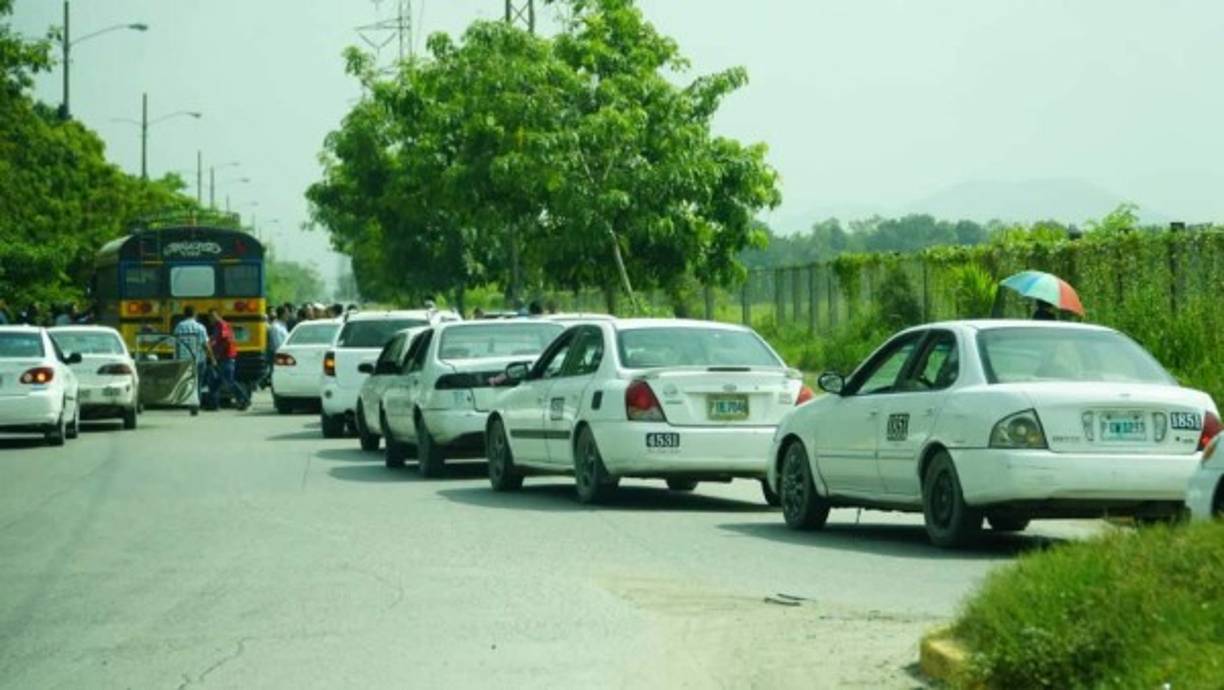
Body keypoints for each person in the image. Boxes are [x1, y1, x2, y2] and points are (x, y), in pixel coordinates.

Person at [206, 309, 251, 411]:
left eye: (211, 317)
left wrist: (217, 354)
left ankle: (244, 400)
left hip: (226, 357)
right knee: (215, 381)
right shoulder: (218, 326)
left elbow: (225, 341)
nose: (210, 320)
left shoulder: (222, 325)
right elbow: (216, 339)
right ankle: (213, 404)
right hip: (222, 358)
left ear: (215, 316)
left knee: (229, 381)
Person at [173, 306, 213, 407]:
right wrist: (212, 357)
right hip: (199, 359)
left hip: (184, 360)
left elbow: (174, 342)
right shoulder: (200, 327)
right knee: (198, 382)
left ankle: (186, 400)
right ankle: (196, 402)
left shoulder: (179, 326)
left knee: (186, 381)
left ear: (184, 314)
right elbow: (205, 344)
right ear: (195, 314)